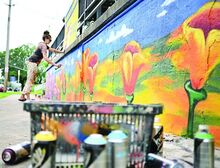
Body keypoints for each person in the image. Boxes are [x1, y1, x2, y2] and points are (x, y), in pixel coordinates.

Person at [18, 30, 63, 101]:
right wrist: (55, 64)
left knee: (30, 80)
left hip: (31, 63)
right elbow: (45, 58)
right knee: (30, 80)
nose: (50, 41)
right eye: (50, 40)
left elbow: (53, 50)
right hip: (33, 64)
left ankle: (24, 96)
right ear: (46, 39)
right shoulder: (43, 46)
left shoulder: (41, 44)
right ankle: (25, 96)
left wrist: (61, 52)